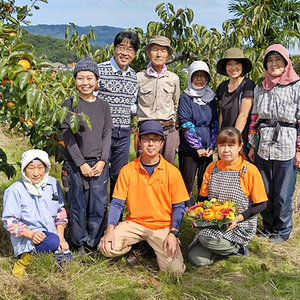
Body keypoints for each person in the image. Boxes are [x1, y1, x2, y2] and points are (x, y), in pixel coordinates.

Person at [98, 121, 189, 274]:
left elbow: (179, 207)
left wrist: (173, 233)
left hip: (162, 226)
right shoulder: (128, 170)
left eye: (155, 139)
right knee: (106, 248)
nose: (151, 143)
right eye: (146, 139)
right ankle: (138, 246)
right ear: (139, 141)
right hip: (134, 224)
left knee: (175, 272)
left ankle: (150, 248)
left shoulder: (172, 172)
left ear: (161, 143)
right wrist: (110, 230)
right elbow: (117, 203)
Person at [188, 127, 268, 266]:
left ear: (240, 147)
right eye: (222, 145)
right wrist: (198, 217)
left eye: (231, 145)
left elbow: (261, 204)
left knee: (206, 240)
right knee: (197, 259)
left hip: (239, 225)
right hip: (214, 223)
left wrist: (238, 218)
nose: (226, 150)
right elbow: (202, 198)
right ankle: (220, 249)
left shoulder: (248, 170)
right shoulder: (211, 167)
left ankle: (237, 249)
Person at [60, 54, 113, 254]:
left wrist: (103, 161)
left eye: (89, 78)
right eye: (80, 78)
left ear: (96, 80)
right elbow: (68, 136)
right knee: (77, 204)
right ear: (75, 80)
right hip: (76, 164)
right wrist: (81, 163)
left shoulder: (103, 105)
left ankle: (94, 242)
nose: (85, 82)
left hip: (98, 164)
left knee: (98, 204)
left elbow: (107, 133)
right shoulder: (69, 105)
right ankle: (78, 242)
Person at [248, 44, 300, 244]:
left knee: (282, 193)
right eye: (269, 60)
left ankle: (282, 230)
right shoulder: (260, 87)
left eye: (278, 59)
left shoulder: (296, 86)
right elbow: (254, 118)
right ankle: (267, 226)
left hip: (286, 142)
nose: (274, 64)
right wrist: (252, 145)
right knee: (265, 190)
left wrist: (298, 150)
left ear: (286, 63)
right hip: (263, 143)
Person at [2, 149, 72, 278]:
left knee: (66, 261)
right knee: (51, 241)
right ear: (24, 169)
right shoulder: (14, 190)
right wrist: (32, 234)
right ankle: (24, 260)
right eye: (31, 168)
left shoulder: (52, 184)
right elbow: (9, 221)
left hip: (53, 235)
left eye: (40, 168)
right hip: (28, 237)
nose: (36, 173)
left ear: (46, 167)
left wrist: (61, 238)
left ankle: (49, 251)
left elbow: (60, 212)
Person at [97, 31, 140, 199]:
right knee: (100, 175)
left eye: (130, 49)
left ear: (134, 54)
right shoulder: (100, 70)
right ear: (114, 49)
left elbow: (131, 106)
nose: (125, 52)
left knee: (119, 176)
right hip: (102, 132)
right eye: (121, 47)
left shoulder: (133, 76)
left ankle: (115, 218)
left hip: (123, 134)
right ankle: (97, 219)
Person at [178, 61, 219, 207]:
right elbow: (185, 123)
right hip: (189, 147)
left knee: (205, 180)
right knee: (187, 180)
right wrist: (197, 146)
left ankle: (202, 211)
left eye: (203, 76)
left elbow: (214, 122)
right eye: (196, 76)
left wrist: (212, 145)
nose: (200, 79)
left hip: (207, 147)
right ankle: (185, 211)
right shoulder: (186, 97)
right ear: (190, 77)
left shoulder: (210, 97)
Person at [136, 35, 180, 164]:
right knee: (145, 166)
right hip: (146, 130)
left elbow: (176, 103)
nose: (159, 54)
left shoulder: (173, 78)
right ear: (149, 53)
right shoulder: (139, 77)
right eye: (155, 50)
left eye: (163, 51)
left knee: (168, 167)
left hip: (168, 128)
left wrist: (173, 124)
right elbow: (133, 103)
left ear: (168, 55)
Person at [216, 48, 255, 156]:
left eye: (237, 63)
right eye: (229, 64)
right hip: (225, 138)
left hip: (240, 137)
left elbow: (243, 115)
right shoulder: (222, 87)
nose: (233, 68)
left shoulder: (248, 85)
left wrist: (235, 140)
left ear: (242, 66)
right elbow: (221, 114)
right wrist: (220, 136)